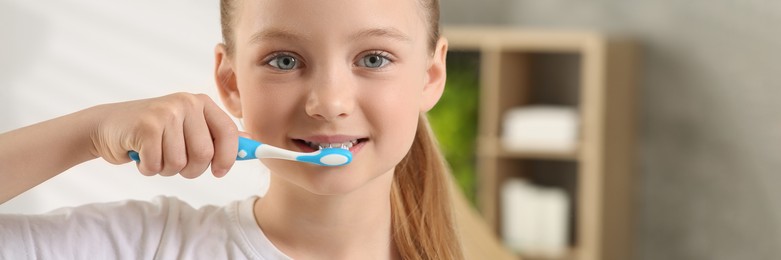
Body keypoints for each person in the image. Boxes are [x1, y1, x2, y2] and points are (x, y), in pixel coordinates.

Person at [0, 0, 465, 259]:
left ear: (430, 77)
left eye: (373, 59)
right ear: (231, 81)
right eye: (284, 60)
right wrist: (91, 133)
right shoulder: (146, 245)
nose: (329, 103)